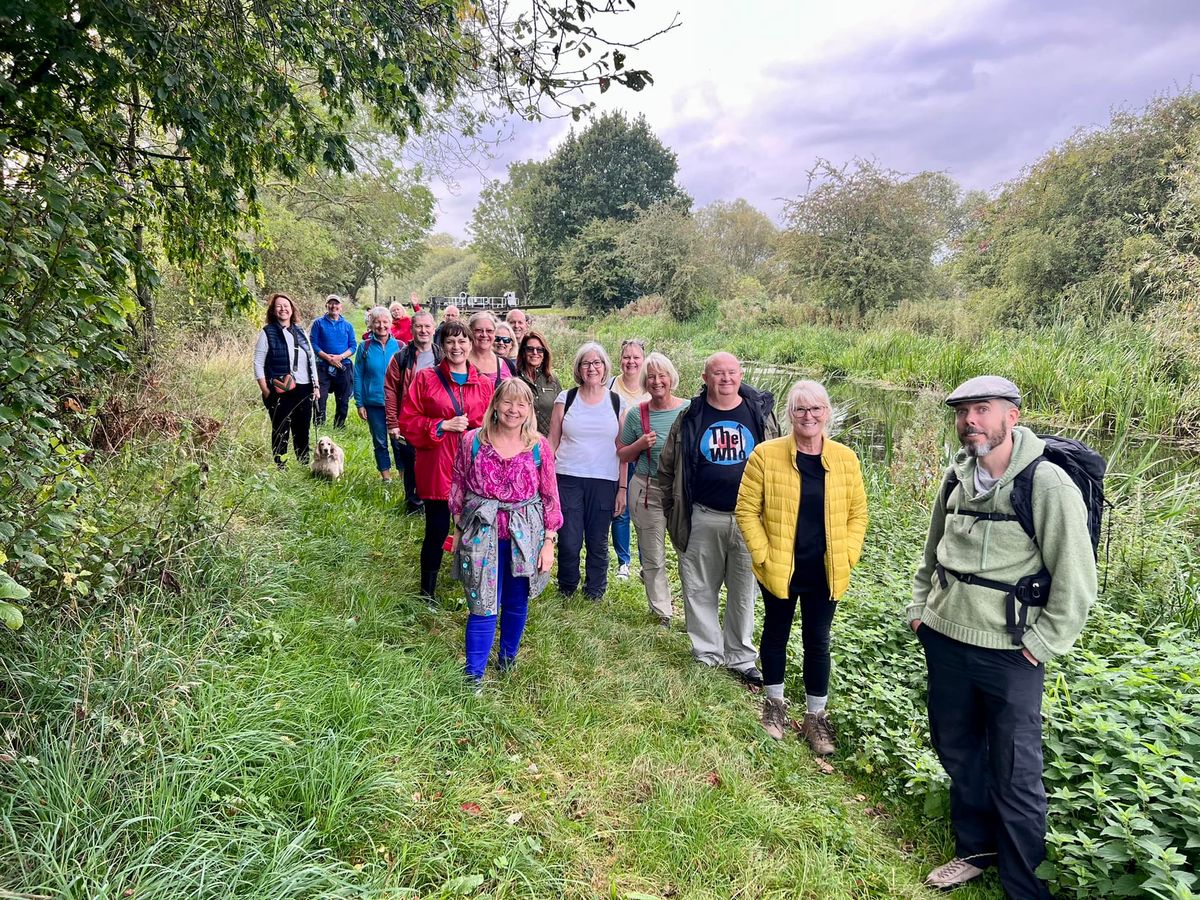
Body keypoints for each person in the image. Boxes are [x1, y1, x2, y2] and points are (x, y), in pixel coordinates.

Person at [910, 376, 1095, 897]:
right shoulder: (954, 479)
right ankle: (975, 850)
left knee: (1015, 773)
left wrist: (1043, 642)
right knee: (958, 750)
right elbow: (932, 555)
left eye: (982, 409)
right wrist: (920, 610)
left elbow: (1077, 579)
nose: (970, 420)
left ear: (1012, 416)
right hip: (946, 640)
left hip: (1012, 653)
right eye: (963, 411)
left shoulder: (1048, 484)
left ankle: (1023, 886)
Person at [734, 380, 868, 754]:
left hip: (825, 569)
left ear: (827, 413)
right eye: (800, 409)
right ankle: (773, 706)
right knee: (776, 634)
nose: (808, 417)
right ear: (790, 414)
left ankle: (816, 717)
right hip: (781, 565)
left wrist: (848, 554)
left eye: (816, 409)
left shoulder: (845, 459)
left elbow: (858, 514)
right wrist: (763, 553)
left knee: (818, 641)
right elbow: (746, 509)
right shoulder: (766, 455)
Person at [658, 352, 779, 688]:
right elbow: (667, 468)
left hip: (750, 518)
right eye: (718, 373)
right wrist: (674, 512)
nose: (725, 379)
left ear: (740, 375)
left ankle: (741, 658)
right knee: (699, 588)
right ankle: (708, 654)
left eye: (731, 373)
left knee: (744, 591)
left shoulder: (760, 414)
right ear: (705, 377)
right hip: (704, 514)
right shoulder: (691, 416)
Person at [450, 379, 562, 684]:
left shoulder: (539, 447)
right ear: (495, 405)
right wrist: (458, 533)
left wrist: (549, 543)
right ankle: (474, 675)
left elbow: (551, 497)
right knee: (482, 601)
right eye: (508, 402)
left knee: (516, 601)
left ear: (528, 410)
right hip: (481, 535)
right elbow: (458, 486)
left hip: (525, 536)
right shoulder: (473, 441)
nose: (514, 410)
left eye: (521, 404)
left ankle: (507, 659)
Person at [401, 322, 493, 603]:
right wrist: (442, 425)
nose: (457, 347)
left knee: (474, 529)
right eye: (451, 341)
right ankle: (426, 592)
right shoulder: (425, 379)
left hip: (472, 468)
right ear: (443, 345)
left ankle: (472, 586)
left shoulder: (485, 383)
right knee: (437, 528)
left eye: (462, 341)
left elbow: (492, 425)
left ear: (470, 345)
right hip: (438, 464)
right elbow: (408, 419)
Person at [549, 342, 626, 601]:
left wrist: (623, 489)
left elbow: (623, 450)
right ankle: (567, 586)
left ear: (605, 368)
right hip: (568, 477)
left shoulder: (617, 402)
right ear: (578, 368)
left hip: (604, 480)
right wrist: (545, 482)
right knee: (569, 539)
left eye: (597, 363)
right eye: (586, 363)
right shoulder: (566, 399)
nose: (591, 368)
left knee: (598, 540)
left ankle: (595, 591)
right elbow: (552, 443)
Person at [617, 352, 688, 627]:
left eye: (662, 376)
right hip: (647, 490)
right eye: (652, 377)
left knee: (688, 554)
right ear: (645, 381)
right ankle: (662, 612)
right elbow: (622, 454)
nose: (657, 381)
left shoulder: (689, 410)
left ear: (671, 378)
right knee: (653, 555)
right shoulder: (638, 414)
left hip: (682, 492)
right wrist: (639, 445)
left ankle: (694, 612)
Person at [253, 292, 320, 468]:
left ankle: (303, 464)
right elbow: (258, 363)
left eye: (286, 306)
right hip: (280, 389)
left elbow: (311, 359)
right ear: (273, 311)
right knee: (281, 428)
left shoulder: (300, 331)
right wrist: (266, 391)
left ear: (292, 309)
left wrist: (316, 385)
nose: (283, 309)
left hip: (304, 387)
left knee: (302, 428)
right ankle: (280, 465)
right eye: (279, 306)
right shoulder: (268, 332)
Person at [385, 309, 442, 512]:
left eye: (427, 326)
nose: (423, 330)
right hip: (410, 421)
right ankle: (414, 505)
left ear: (434, 329)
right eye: (419, 326)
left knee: (435, 464)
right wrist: (392, 422)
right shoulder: (400, 358)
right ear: (412, 329)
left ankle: (434, 503)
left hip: (438, 420)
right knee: (411, 464)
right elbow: (390, 390)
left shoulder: (442, 357)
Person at [609, 338, 650, 580]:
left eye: (636, 357)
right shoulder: (611, 385)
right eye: (627, 357)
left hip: (644, 458)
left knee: (644, 511)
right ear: (620, 359)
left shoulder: (650, 385)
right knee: (620, 509)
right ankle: (623, 562)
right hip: (618, 456)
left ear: (642, 360)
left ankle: (648, 564)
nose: (631, 362)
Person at [354, 307, 402, 483]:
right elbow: (357, 375)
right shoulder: (364, 347)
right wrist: (359, 403)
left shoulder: (400, 346)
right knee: (380, 442)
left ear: (390, 323)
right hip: (373, 403)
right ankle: (386, 477)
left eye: (385, 322)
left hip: (396, 404)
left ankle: (403, 475)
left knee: (399, 441)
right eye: (377, 322)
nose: (381, 326)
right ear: (371, 324)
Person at [309, 294, 356, 428]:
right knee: (320, 397)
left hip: (343, 365)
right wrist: (328, 358)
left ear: (341, 307)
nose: (333, 306)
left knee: (343, 399)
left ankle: (339, 425)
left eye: (336, 304)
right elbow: (313, 343)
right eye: (331, 303)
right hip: (322, 366)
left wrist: (339, 357)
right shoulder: (318, 323)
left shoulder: (348, 326)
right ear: (326, 306)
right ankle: (319, 425)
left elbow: (353, 346)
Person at [517, 330, 561, 436]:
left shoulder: (552, 379)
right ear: (523, 352)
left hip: (548, 442)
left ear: (544, 353)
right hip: (522, 441)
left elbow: (561, 413)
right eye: (530, 349)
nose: (535, 353)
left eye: (540, 350)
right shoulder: (515, 380)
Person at [467, 311, 516, 387]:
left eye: (489, 331)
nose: (484, 335)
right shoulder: (460, 363)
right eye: (479, 330)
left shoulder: (506, 364)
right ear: (469, 332)